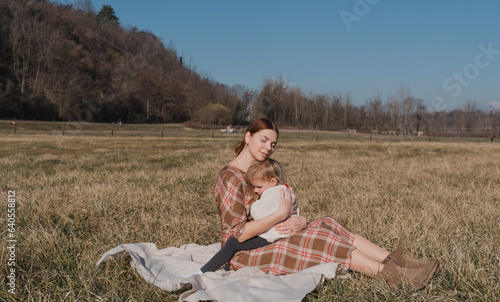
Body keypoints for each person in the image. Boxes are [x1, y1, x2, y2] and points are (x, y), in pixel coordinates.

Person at [200, 118, 444, 291]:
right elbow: (236, 234)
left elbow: (281, 205)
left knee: (326, 223)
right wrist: (280, 216)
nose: (268, 148)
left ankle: (398, 261)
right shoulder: (230, 177)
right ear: (247, 136)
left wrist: (300, 220)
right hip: (243, 253)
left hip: (270, 235)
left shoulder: (260, 170)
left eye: (273, 144)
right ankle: (394, 277)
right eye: (264, 140)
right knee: (319, 240)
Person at [183, 158, 299, 277]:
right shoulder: (286, 190)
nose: (255, 191)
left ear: (273, 181)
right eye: (253, 187)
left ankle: (202, 271)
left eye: (259, 187)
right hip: (281, 232)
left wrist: (253, 205)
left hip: (273, 234)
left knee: (233, 243)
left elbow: (260, 213)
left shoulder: (274, 193)